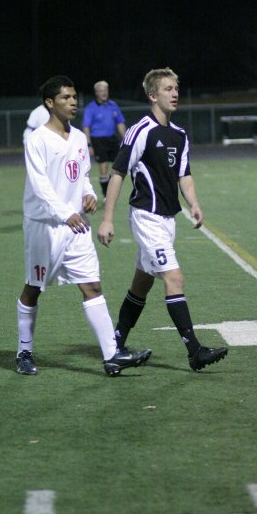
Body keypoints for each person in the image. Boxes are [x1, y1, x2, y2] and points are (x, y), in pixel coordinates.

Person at [16, 75, 151, 376]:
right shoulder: (37, 140)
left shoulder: (78, 137)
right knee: (34, 288)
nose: (73, 102)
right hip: (45, 226)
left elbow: (82, 176)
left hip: (75, 226)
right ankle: (23, 351)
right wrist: (66, 212)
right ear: (50, 103)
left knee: (92, 285)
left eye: (75, 96)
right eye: (65, 97)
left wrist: (89, 195)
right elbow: (40, 186)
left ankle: (111, 356)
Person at [97, 67, 228, 372]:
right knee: (174, 278)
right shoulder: (141, 130)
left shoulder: (179, 135)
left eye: (176, 88)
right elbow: (117, 173)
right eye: (168, 89)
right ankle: (194, 351)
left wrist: (193, 203)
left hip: (167, 221)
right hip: (146, 217)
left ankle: (115, 344)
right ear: (153, 95)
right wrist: (107, 219)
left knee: (141, 284)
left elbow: (185, 175)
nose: (175, 93)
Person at [82, 80, 126, 199]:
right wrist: (89, 144)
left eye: (105, 90)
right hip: (98, 140)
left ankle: (112, 190)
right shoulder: (90, 108)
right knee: (103, 168)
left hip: (112, 138)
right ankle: (106, 194)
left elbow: (120, 123)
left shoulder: (113, 105)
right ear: (96, 93)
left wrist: (127, 139)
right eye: (101, 91)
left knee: (118, 166)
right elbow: (86, 127)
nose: (104, 93)